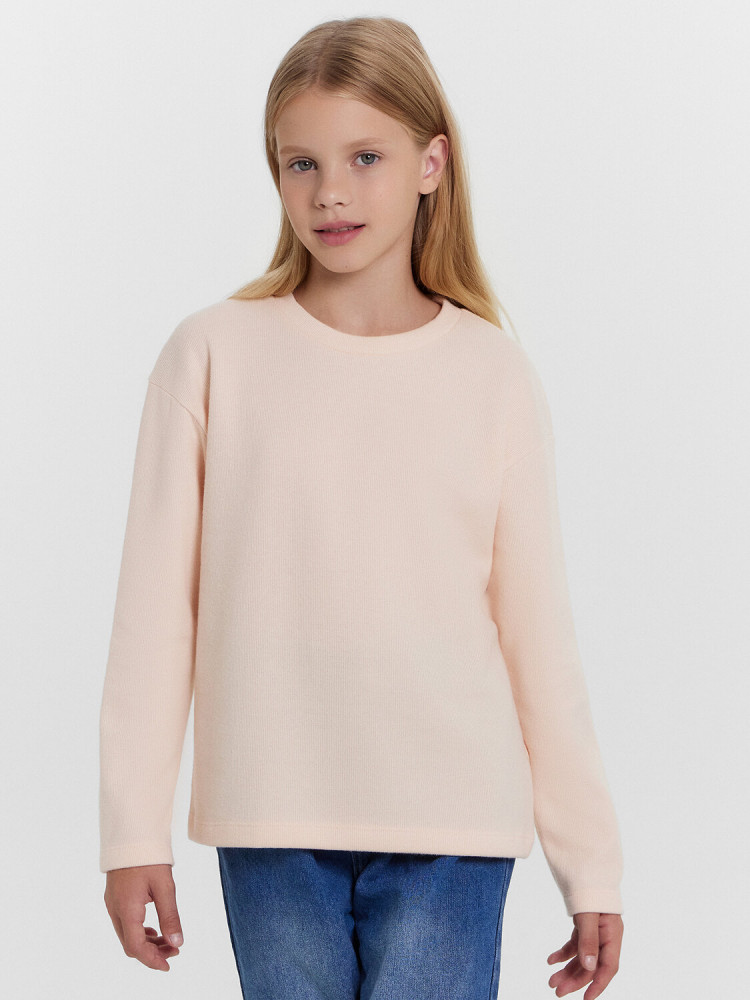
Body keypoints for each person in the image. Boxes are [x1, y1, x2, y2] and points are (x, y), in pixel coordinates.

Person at [99, 15, 624, 1000]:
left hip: (454, 822)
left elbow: (538, 637)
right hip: (270, 818)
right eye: (300, 162)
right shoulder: (212, 355)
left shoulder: (493, 376)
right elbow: (153, 615)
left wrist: (590, 865)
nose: (329, 192)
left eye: (364, 158)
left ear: (432, 163)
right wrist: (132, 833)